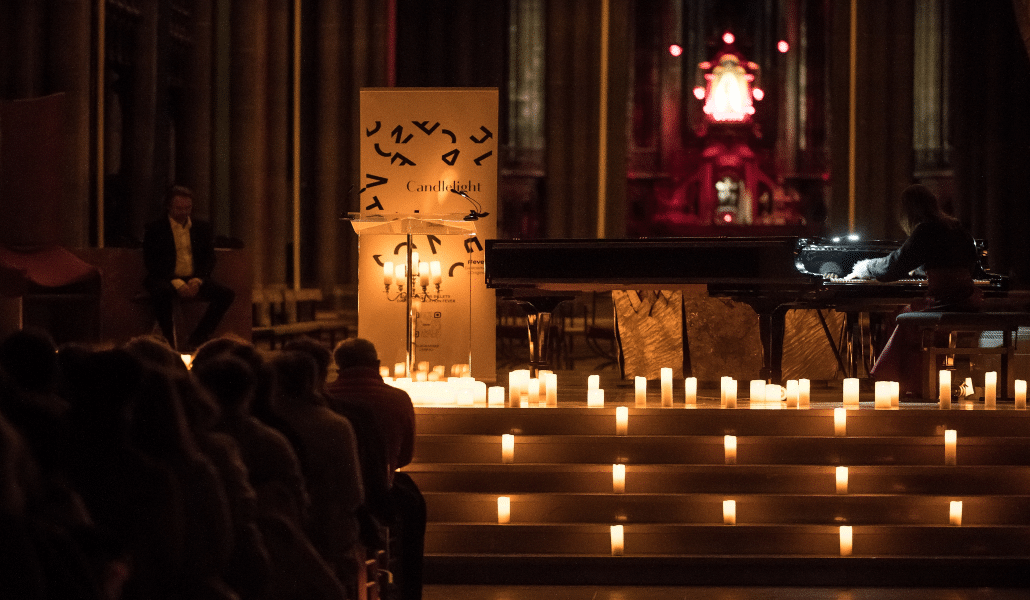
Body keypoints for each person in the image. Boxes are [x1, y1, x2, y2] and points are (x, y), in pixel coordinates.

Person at [844, 184, 983, 396]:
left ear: (908, 211)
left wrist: (865, 267)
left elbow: (893, 266)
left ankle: (900, 383)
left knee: (898, 317)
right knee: (911, 315)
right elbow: (964, 266)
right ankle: (923, 379)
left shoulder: (925, 229)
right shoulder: (956, 228)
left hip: (946, 301)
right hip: (968, 299)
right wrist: (922, 269)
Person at [324, 338, 424, 600]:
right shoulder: (397, 399)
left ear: (338, 365)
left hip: (332, 496)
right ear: (377, 364)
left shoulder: (326, 397)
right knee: (413, 505)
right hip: (379, 490)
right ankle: (409, 589)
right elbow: (404, 457)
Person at [143, 185, 235, 351]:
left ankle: (198, 339)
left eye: (188, 208)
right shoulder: (155, 229)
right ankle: (169, 343)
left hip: (194, 277)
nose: (184, 212)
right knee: (161, 293)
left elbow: (209, 259)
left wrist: (198, 280)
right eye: (179, 208)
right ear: (169, 207)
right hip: (165, 276)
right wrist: (176, 282)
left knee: (226, 294)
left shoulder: (202, 228)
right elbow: (152, 262)